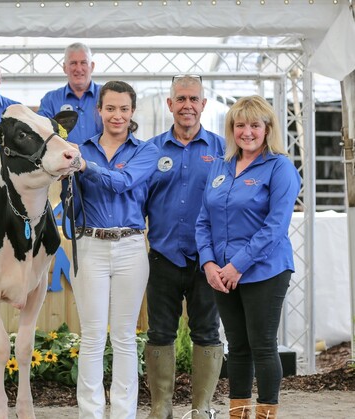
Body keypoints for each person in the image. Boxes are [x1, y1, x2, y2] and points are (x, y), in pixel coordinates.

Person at [195, 95, 301, 419]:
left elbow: (275, 227)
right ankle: (238, 414)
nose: (247, 131)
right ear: (232, 129)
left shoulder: (280, 167)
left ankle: (266, 415)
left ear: (267, 128)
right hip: (222, 273)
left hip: (265, 270)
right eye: (240, 125)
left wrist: (237, 266)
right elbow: (203, 220)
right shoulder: (221, 165)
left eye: (255, 124)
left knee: (263, 345)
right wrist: (209, 264)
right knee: (237, 348)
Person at [68, 80, 158, 419]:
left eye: (123, 109)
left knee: (123, 336)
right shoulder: (80, 149)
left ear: (132, 111)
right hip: (89, 244)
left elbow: (123, 184)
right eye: (110, 108)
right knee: (91, 336)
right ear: (99, 110)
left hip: (131, 245)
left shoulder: (145, 151)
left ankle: (123, 414)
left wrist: (84, 167)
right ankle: (89, 414)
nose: (116, 115)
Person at [144, 75, 225, 419]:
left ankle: (201, 408)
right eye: (181, 99)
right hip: (163, 256)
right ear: (170, 104)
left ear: (203, 104)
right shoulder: (150, 150)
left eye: (194, 99)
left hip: (208, 261)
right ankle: (161, 407)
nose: (187, 105)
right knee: (159, 331)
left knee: (206, 331)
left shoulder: (224, 149)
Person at [38, 42, 102, 144]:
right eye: (73, 63)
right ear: (64, 68)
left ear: (92, 66)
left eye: (83, 62)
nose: (78, 69)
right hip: (64, 159)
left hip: (104, 159)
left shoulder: (107, 95)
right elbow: (41, 134)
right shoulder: (50, 100)